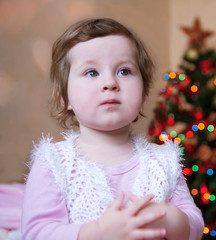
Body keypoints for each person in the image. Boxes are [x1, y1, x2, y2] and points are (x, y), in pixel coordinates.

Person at [22, 18, 204, 240]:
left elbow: (194, 224)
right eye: (91, 72)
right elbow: (36, 232)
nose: (110, 82)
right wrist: (98, 233)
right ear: (64, 97)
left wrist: (169, 218)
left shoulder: (164, 161)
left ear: (144, 91)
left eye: (124, 71)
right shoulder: (54, 163)